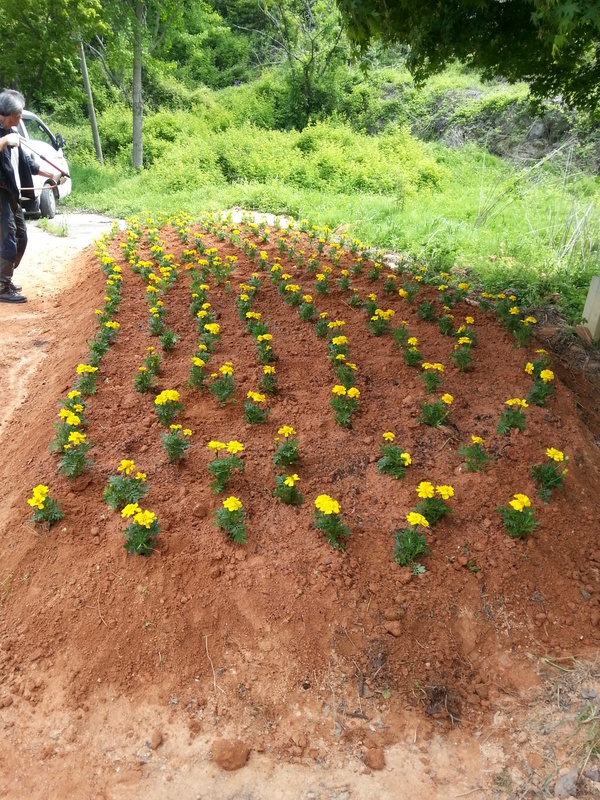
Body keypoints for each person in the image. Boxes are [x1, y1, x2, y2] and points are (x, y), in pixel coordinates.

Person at [0, 89, 64, 304]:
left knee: (21, 237)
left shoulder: (13, 134)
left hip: (12, 195)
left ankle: (4, 279)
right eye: (18, 116)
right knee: (7, 240)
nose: (19, 120)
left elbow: (28, 163)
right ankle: (2, 286)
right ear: (11, 114)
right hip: (1, 195)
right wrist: (4, 141)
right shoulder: (5, 136)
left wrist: (53, 174)